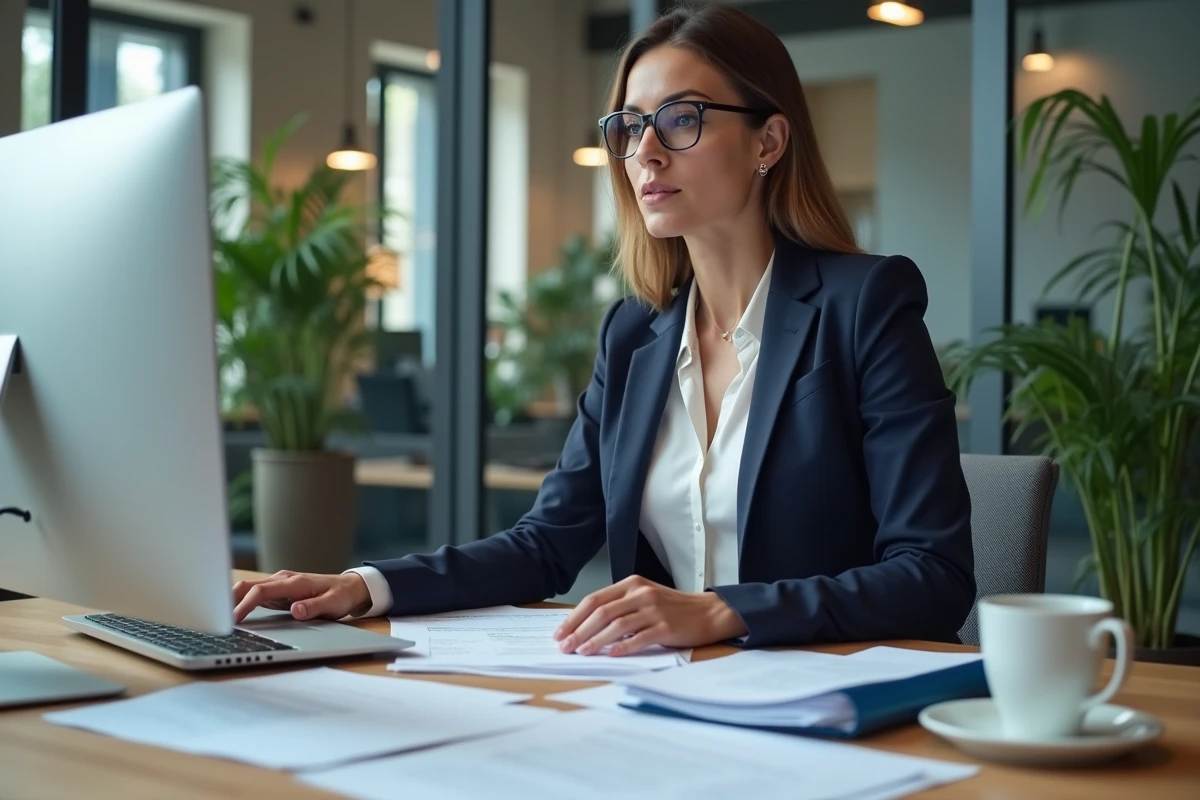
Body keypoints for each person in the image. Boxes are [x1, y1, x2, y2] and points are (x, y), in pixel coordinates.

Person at [232, 4, 975, 655]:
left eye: (682, 119)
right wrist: (365, 585)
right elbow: (547, 544)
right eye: (631, 126)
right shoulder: (635, 335)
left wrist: (723, 610)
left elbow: (934, 575)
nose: (645, 152)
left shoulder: (866, 305)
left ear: (768, 142)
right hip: (670, 695)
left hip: (828, 698)